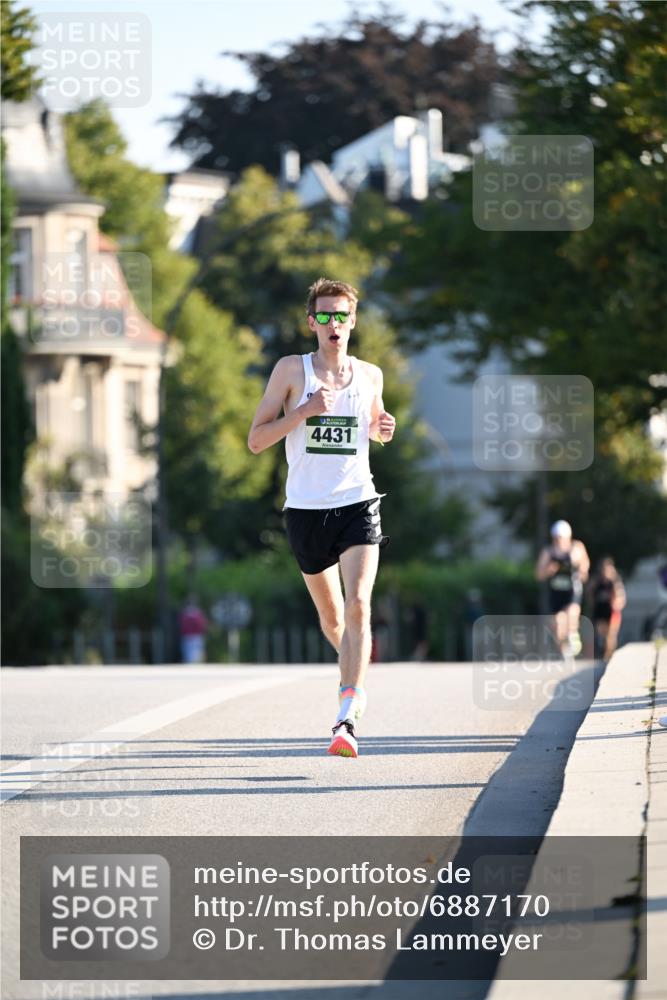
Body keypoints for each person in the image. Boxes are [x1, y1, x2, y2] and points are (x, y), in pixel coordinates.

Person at [248, 277, 396, 757]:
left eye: (342, 315)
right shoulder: (292, 371)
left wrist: (383, 429)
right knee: (333, 621)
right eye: (325, 315)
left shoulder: (370, 374)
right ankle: (353, 668)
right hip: (306, 512)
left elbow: (374, 423)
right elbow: (256, 439)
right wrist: (304, 413)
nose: (334, 324)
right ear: (312, 322)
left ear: (353, 321)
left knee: (358, 606)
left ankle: (347, 717)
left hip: (358, 502)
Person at [536, 520, 590, 658]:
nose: (559, 540)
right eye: (557, 537)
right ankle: (564, 651)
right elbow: (538, 574)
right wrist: (549, 570)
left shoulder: (576, 548)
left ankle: (572, 635)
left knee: (572, 613)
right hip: (556, 592)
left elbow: (585, 565)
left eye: (561, 537)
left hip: (572, 590)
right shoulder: (548, 552)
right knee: (558, 625)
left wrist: (579, 568)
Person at [588, 557, 626, 660]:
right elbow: (590, 594)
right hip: (600, 611)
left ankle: (609, 655)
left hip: (612, 612)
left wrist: (616, 603)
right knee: (602, 634)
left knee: (611, 635)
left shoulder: (614, 583)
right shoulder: (597, 582)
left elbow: (620, 598)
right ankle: (605, 653)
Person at [179, 597, 209, 664]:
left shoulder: (185, 614)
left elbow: (182, 625)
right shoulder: (198, 614)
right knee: (196, 653)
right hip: (196, 636)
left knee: (189, 653)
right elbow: (203, 625)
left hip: (189, 636)